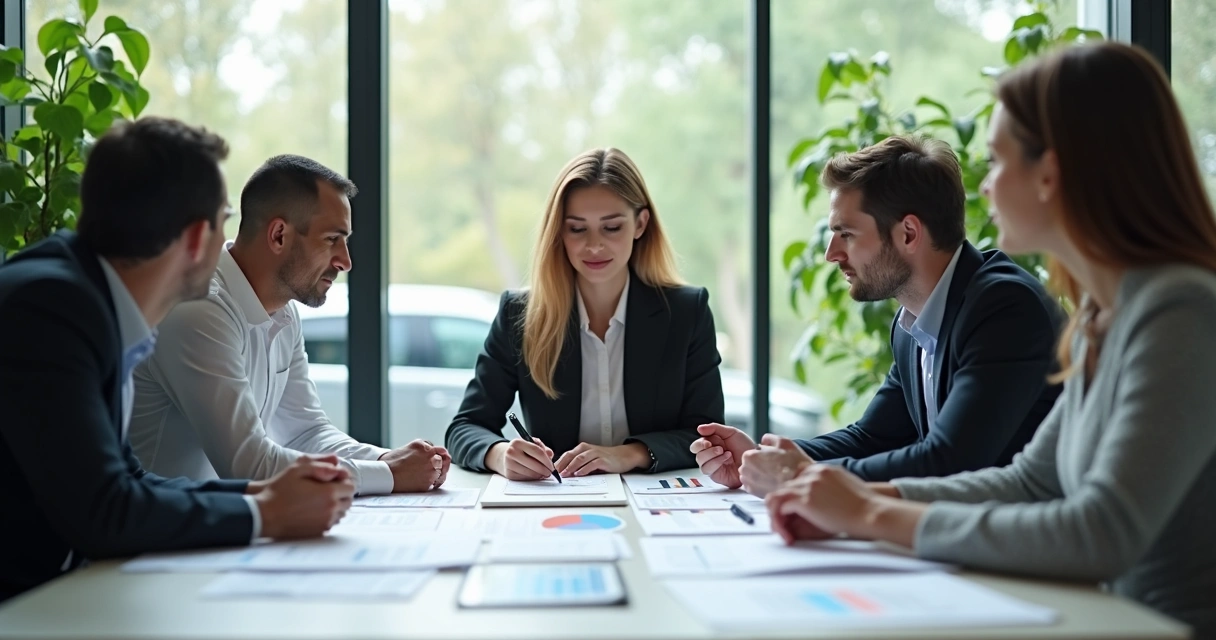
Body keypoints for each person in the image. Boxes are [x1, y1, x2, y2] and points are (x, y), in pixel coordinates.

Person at [763, 42, 1216, 638]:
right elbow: (1031, 481)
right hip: (1100, 617)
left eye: (999, 164)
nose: (984, 188)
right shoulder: (1101, 317)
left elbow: (1101, 532)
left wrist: (870, 511)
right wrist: (858, 498)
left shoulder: (1180, 311)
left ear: (1050, 174)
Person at [0, 119, 354, 602]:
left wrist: (261, 496)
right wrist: (267, 513)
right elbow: (104, 511)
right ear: (194, 239)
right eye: (225, 222)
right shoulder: (51, 309)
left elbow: (130, 481)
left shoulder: (88, 299)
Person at [693, 135, 1062, 494]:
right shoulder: (912, 324)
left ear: (908, 234)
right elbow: (873, 438)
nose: (831, 253)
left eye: (847, 234)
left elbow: (951, 461)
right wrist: (760, 458)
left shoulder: (1004, 307)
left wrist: (798, 475)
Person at [129, 155, 450, 495]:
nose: (345, 261)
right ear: (279, 235)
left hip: (216, 531)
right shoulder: (197, 306)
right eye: (331, 240)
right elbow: (247, 465)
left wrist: (389, 459)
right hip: (152, 541)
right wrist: (390, 475)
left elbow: (306, 432)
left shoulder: (283, 311)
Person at [445, 148, 724, 479]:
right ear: (559, 232)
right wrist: (501, 454)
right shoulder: (520, 315)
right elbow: (465, 428)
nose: (594, 246)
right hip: (557, 502)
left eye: (612, 228)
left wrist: (628, 455)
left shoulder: (685, 312)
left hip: (655, 505)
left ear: (640, 224)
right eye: (577, 229)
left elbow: (706, 434)